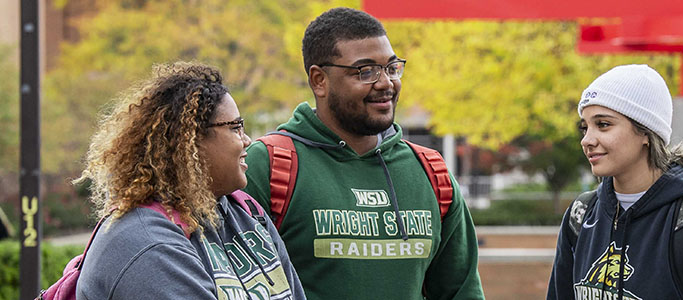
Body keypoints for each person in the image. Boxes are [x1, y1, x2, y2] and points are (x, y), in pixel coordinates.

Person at [241, 7, 483, 300]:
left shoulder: (432, 173)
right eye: (365, 71)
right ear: (319, 80)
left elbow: (462, 291)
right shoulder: (268, 165)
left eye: (392, 68)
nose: (385, 83)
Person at [74, 62, 305, 299]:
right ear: (190, 142)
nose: (247, 140)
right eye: (235, 127)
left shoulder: (248, 212)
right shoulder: (148, 242)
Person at [547, 64, 683, 300]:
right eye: (584, 127)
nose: (587, 140)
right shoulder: (581, 213)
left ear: (646, 132)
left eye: (603, 125)